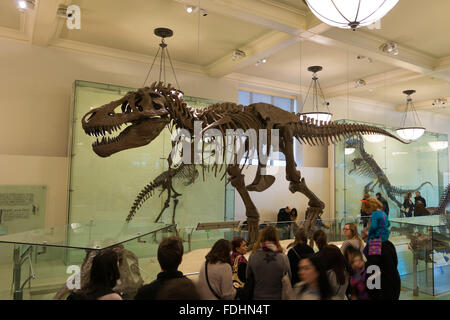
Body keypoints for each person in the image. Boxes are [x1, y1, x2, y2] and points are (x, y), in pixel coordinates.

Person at [244, 226, 291, 300]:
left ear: (261, 237)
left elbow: (247, 277)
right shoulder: (283, 258)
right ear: (276, 238)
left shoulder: (253, 257)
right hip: (277, 296)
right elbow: (289, 277)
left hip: (257, 296)